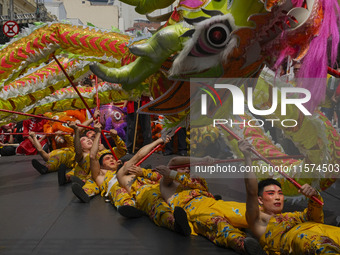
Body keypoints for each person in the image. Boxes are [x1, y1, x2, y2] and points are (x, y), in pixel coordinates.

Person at [240, 139, 340, 254]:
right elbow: (251, 190)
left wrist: (314, 196)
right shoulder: (259, 221)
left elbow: (315, 218)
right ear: (260, 199)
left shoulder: (295, 216)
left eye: (280, 193)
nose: (277, 197)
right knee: (313, 241)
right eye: (271, 193)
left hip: (327, 232)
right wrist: (247, 157)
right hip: (306, 241)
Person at [154, 156, 266, 255]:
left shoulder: (194, 180)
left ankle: (279, 230)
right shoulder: (167, 184)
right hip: (195, 210)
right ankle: (243, 244)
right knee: (219, 225)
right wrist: (200, 160)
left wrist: (203, 161)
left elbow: (196, 184)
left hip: (213, 202)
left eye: (188, 168)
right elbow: (174, 160)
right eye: (182, 168)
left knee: (251, 212)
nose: (186, 170)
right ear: (172, 170)